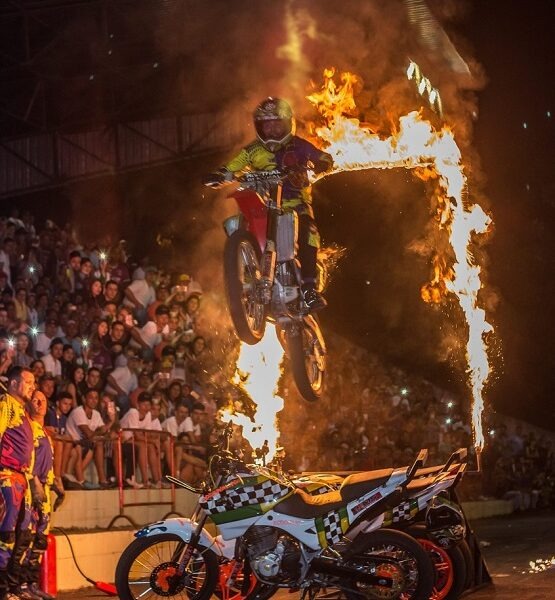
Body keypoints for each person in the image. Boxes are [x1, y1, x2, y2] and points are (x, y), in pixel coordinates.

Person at [206, 97, 333, 311]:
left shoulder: (298, 145)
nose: (272, 130)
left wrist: (320, 164)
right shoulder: (252, 150)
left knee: (308, 231)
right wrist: (220, 175)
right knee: (239, 223)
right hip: (263, 205)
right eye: (267, 125)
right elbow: (232, 166)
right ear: (259, 127)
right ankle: (247, 275)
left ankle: (310, 288)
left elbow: (324, 158)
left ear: (287, 123)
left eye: (276, 124)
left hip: (295, 204)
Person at [0, 367, 37, 600]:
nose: (32, 387)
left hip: (22, 478)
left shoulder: (22, 410)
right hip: (7, 476)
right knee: (6, 534)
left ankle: (13, 588)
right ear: (14, 383)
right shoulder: (6, 404)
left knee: (20, 534)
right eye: (29, 382)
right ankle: (3, 590)